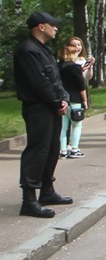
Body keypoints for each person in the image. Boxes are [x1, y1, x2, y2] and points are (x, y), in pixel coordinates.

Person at [13, 11, 73, 218]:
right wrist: (57, 102)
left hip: (51, 107)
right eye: (52, 24)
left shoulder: (43, 49)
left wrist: (63, 98)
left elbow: (55, 78)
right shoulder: (28, 50)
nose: (55, 28)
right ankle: (29, 200)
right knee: (38, 150)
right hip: (38, 107)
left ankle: (47, 190)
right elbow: (38, 82)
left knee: (52, 149)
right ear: (41, 26)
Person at [58, 44, 89, 159]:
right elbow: (81, 85)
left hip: (61, 99)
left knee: (63, 126)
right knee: (77, 124)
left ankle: (63, 149)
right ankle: (74, 148)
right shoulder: (75, 68)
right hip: (74, 98)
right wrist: (84, 100)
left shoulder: (57, 67)